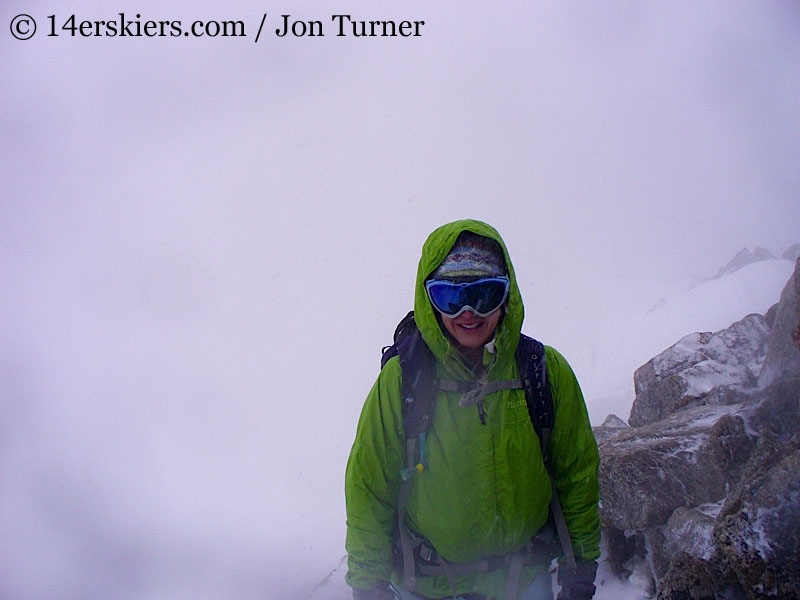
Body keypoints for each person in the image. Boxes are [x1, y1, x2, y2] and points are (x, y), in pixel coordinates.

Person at [345, 220, 600, 600]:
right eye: (450, 296)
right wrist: (368, 582)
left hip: (524, 582)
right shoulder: (403, 380)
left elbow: (574, 473)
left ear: (507, 295)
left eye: (485, 294)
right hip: (428, 585)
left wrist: (580, 566)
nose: (468, 312)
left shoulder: (544, 372)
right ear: (428, 299)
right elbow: (370, 485)